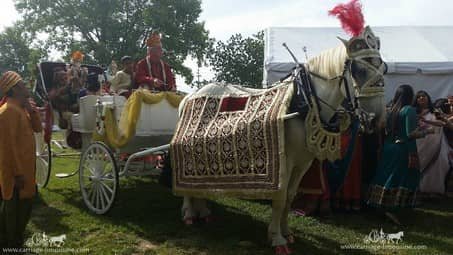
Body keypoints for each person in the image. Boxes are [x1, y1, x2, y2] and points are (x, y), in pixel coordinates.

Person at [367, 84, 434, 225]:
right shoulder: (408, 110)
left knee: (385, 174)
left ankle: (379, 205)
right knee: (402, 177)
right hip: (404, 149)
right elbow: (411, 133)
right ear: (410, 96)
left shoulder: (389, 109)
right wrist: (428, 131)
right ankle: (392, 209)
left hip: (389, 147)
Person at [0, 71, 42, 249]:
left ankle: (15, 242)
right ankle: (11, 244)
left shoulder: (20, 108)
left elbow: (38, 128)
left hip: (25, 169)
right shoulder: (8, 111)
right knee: (13, 210)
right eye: (23, 83)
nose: (26, 86)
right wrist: (17, 174)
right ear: (15, 88)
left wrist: (31, 109)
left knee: (24, 207)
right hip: (16, 172)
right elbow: (7, 147)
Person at [413, 91, 450, 195]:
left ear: (428, 98)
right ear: (416, 100)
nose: (421, 98)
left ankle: (433, 190)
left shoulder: (435, 111)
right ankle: (419, 189)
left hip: (436, 143)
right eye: (419, 97)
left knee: (440, 164)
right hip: (419, 142)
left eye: (423, 96)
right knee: (419, 165)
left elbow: (442, 123)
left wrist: (426, 121)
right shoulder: (413, 111)